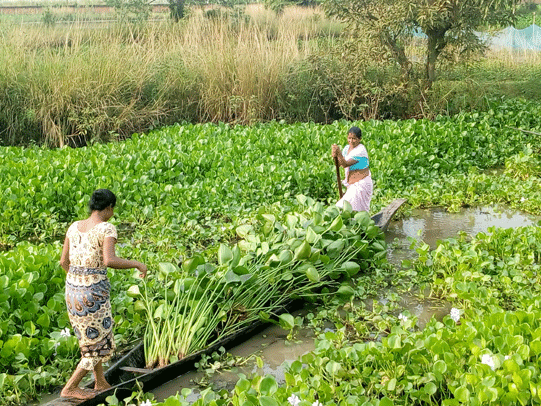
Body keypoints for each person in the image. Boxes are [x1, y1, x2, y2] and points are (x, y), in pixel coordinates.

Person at [59, 189, 147, 400]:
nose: (113, 213)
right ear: (108, 208)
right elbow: (109, 261)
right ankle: (70, 388)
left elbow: (63, 262)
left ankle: (100, 382)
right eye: (113, 209)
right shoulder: (107, 228)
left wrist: (78, 281)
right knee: (97, 343)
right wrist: (137, 264)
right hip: (92, 296)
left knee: (90, 338)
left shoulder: (73, 227)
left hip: (72, 292)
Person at [331, 126, 373, 212]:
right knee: (349, 210)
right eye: (349, 138)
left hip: (361, 184)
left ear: (359, 139)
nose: (351, 141)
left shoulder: (361, 150)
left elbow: (345, 164)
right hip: (351, 186)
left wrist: (339, 154)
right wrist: (335, 155)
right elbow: (340, 164)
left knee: (341, 207)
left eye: (354, 138)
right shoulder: (347, 148)